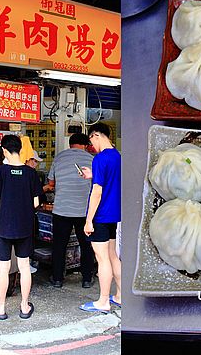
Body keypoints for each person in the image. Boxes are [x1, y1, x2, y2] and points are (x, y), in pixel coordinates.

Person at [0, 135, 44, 321]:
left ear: (4, 150)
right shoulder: (31, 173)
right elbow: (35, 203)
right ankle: (25, 307)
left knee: (4, 268)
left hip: (4, 226)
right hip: (25, 226)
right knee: (24, 266)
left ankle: (0, 308)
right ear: (19, 150)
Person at [78, 123, 121, 313]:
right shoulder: (118, 156)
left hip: (101, 215)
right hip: (114, 215)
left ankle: (103, 301)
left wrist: (88, 220)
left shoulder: (100, 158)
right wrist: (93, 175)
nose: (91, 146)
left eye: (91, 141)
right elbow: (111, 179)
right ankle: (120, 296)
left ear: (96, 135)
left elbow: (97, 192)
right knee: (113, 256)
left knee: (102, 259)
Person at [43, 133, 95, 288]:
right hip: (84, 211)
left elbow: (51, 183)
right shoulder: (91, 159)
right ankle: (87, 278)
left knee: (59, 245)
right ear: (85, 145)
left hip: (62, 210)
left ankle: (57, 278)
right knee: (86, 245)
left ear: (70, 144)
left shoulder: (59, 158)